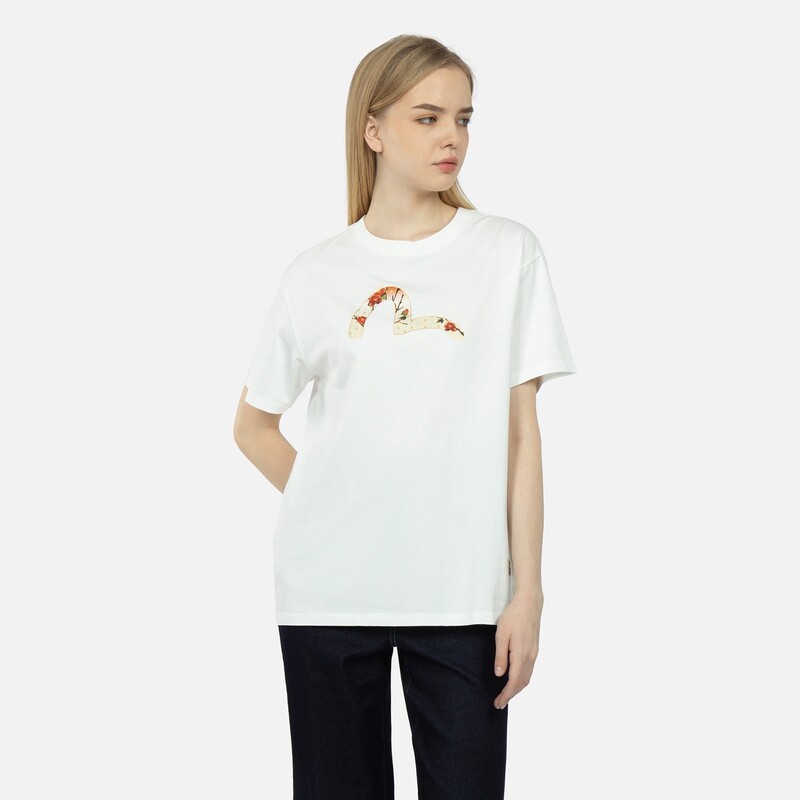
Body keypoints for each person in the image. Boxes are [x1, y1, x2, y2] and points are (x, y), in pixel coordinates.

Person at [233, 33, 577, 800]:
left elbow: (522, 436)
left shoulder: (506, 253)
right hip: (328, 591)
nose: (452, 136)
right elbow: (252, 426)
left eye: (463, 118)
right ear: (374, 130)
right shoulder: (316, 273)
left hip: (463, 592)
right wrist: (333, 502)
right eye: (427, 118)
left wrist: (528, 591)